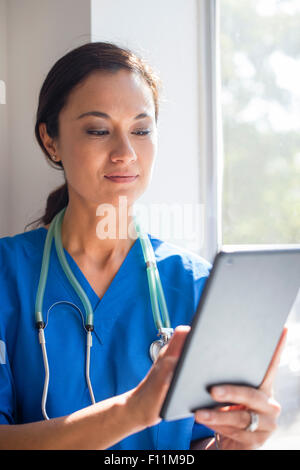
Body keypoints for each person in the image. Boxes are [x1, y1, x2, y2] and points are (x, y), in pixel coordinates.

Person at [0, 42, 286, 450]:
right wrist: (131, 412)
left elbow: (199, 441)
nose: (125, 153)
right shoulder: (6, 275)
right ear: (51, 141)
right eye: (98, 130)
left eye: (141, 129)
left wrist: (234, 443)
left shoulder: (197, 284)